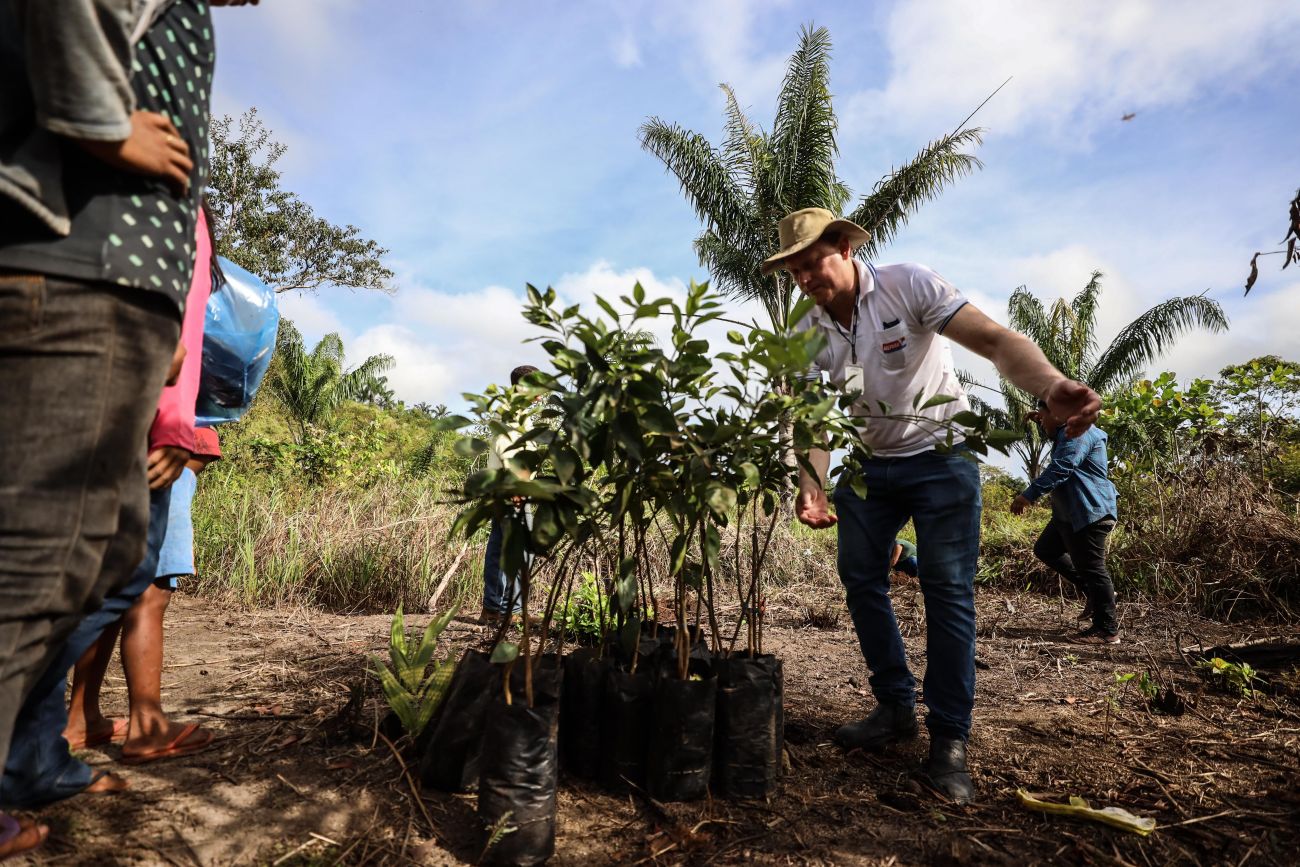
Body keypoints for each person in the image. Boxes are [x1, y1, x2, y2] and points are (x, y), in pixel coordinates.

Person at [768, 207, 1101, 804]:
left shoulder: (908, 283)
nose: (804, 278)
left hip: (942, 459)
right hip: (871, 467)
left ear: (845, 248)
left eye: (812, 262)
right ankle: (894, 706)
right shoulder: (804, 333)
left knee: (948, 589)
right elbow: (812, 423)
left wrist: (1050, 386)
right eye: (793, 270)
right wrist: (811, 485)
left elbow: (994, 340)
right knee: (859, 577)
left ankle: (949, 740)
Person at [0, 1, 211, 856]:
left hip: (112, 296)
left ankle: (28, 759)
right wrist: (101, 121)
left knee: (100, 551)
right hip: (71, 272)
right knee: (34, 559)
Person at [1011, 399, 1120, 644]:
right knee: (1046, 549)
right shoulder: (1068, 432)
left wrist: (1028, 495)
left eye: (1045, 415)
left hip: (1088, 511)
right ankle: (1097, 593)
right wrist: (1043, 416)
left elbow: (1063, 466)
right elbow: (1059, 443)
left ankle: (1107, 630)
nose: (1041, 421)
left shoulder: (1078, 433)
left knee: (1093, 569)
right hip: (1069, 513)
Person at [479, 365, 539, 627]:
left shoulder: (518, 414)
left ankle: (493, 609)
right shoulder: (513, 415)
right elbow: (510, 454)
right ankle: (509, 611)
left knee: (498, 550)